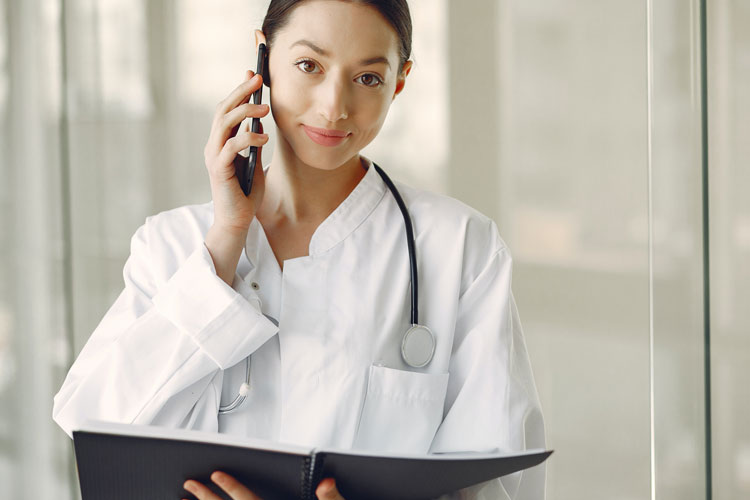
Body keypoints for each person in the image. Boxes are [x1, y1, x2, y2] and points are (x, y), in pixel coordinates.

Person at [52, 0, 546, 498]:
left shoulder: (460, 247)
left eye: (368, 78)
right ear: (264, 57)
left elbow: (498, 480)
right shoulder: (173, 245)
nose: (334, 106)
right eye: (309, 65)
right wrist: (225, 241)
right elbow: (94, 430)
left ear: (400, 80)